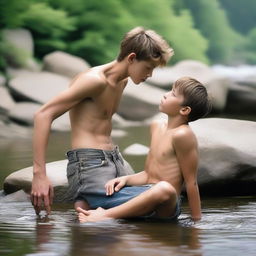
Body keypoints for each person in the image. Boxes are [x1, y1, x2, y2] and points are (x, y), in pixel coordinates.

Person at [31, 27, 174, 215]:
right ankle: (88, 204)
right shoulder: (94, 81)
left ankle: (87, 207)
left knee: (160, 207)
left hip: (115, 160)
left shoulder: (122, 81)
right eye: (148, 68)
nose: (150, 75)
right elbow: (43, 114)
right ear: (131, 58)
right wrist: (39, 174)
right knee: (164, 197)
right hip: (90, 164)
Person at [77, 77, 212, 222]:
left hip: (164, 203)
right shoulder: (156, 126)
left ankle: (105, 215)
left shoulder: (183, 135)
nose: (165, 94)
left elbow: (191, 182)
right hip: (142, 193)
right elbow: (150, 174)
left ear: (184, 110)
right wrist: (126, 179)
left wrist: (196, 223)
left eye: (173, 94)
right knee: (84, 198)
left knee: (164, 188)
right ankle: (106, 216)